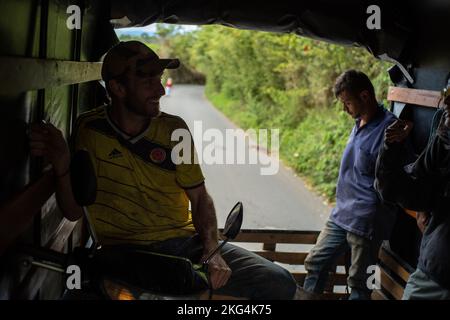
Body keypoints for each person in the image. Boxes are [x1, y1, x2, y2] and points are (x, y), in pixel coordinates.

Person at [28, 41, 297, 299]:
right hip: (123, 252)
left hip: (182, 244)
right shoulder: (89, 129)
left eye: (159, 80)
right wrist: (63, 164)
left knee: (279, 282)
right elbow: (74, 210)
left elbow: (200, 198)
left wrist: (212, 250)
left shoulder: (174, 130)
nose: (160, 91)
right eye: (147, 82)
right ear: (118, 88)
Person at [302, 70, 398, 300]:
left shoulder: (390, 131)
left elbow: (396, 179)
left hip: (366, 221)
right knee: (315, 263)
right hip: (341, 215)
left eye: (347, 103)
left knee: (359, 284)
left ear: (365, 96)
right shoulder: (358, 122)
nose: (344, 109)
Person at [374, 86, 450, 299]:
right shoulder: (444, 141)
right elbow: (400, 190)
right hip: (435, 270)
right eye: (446, 94)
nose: (446, 104)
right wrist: (391, 147)